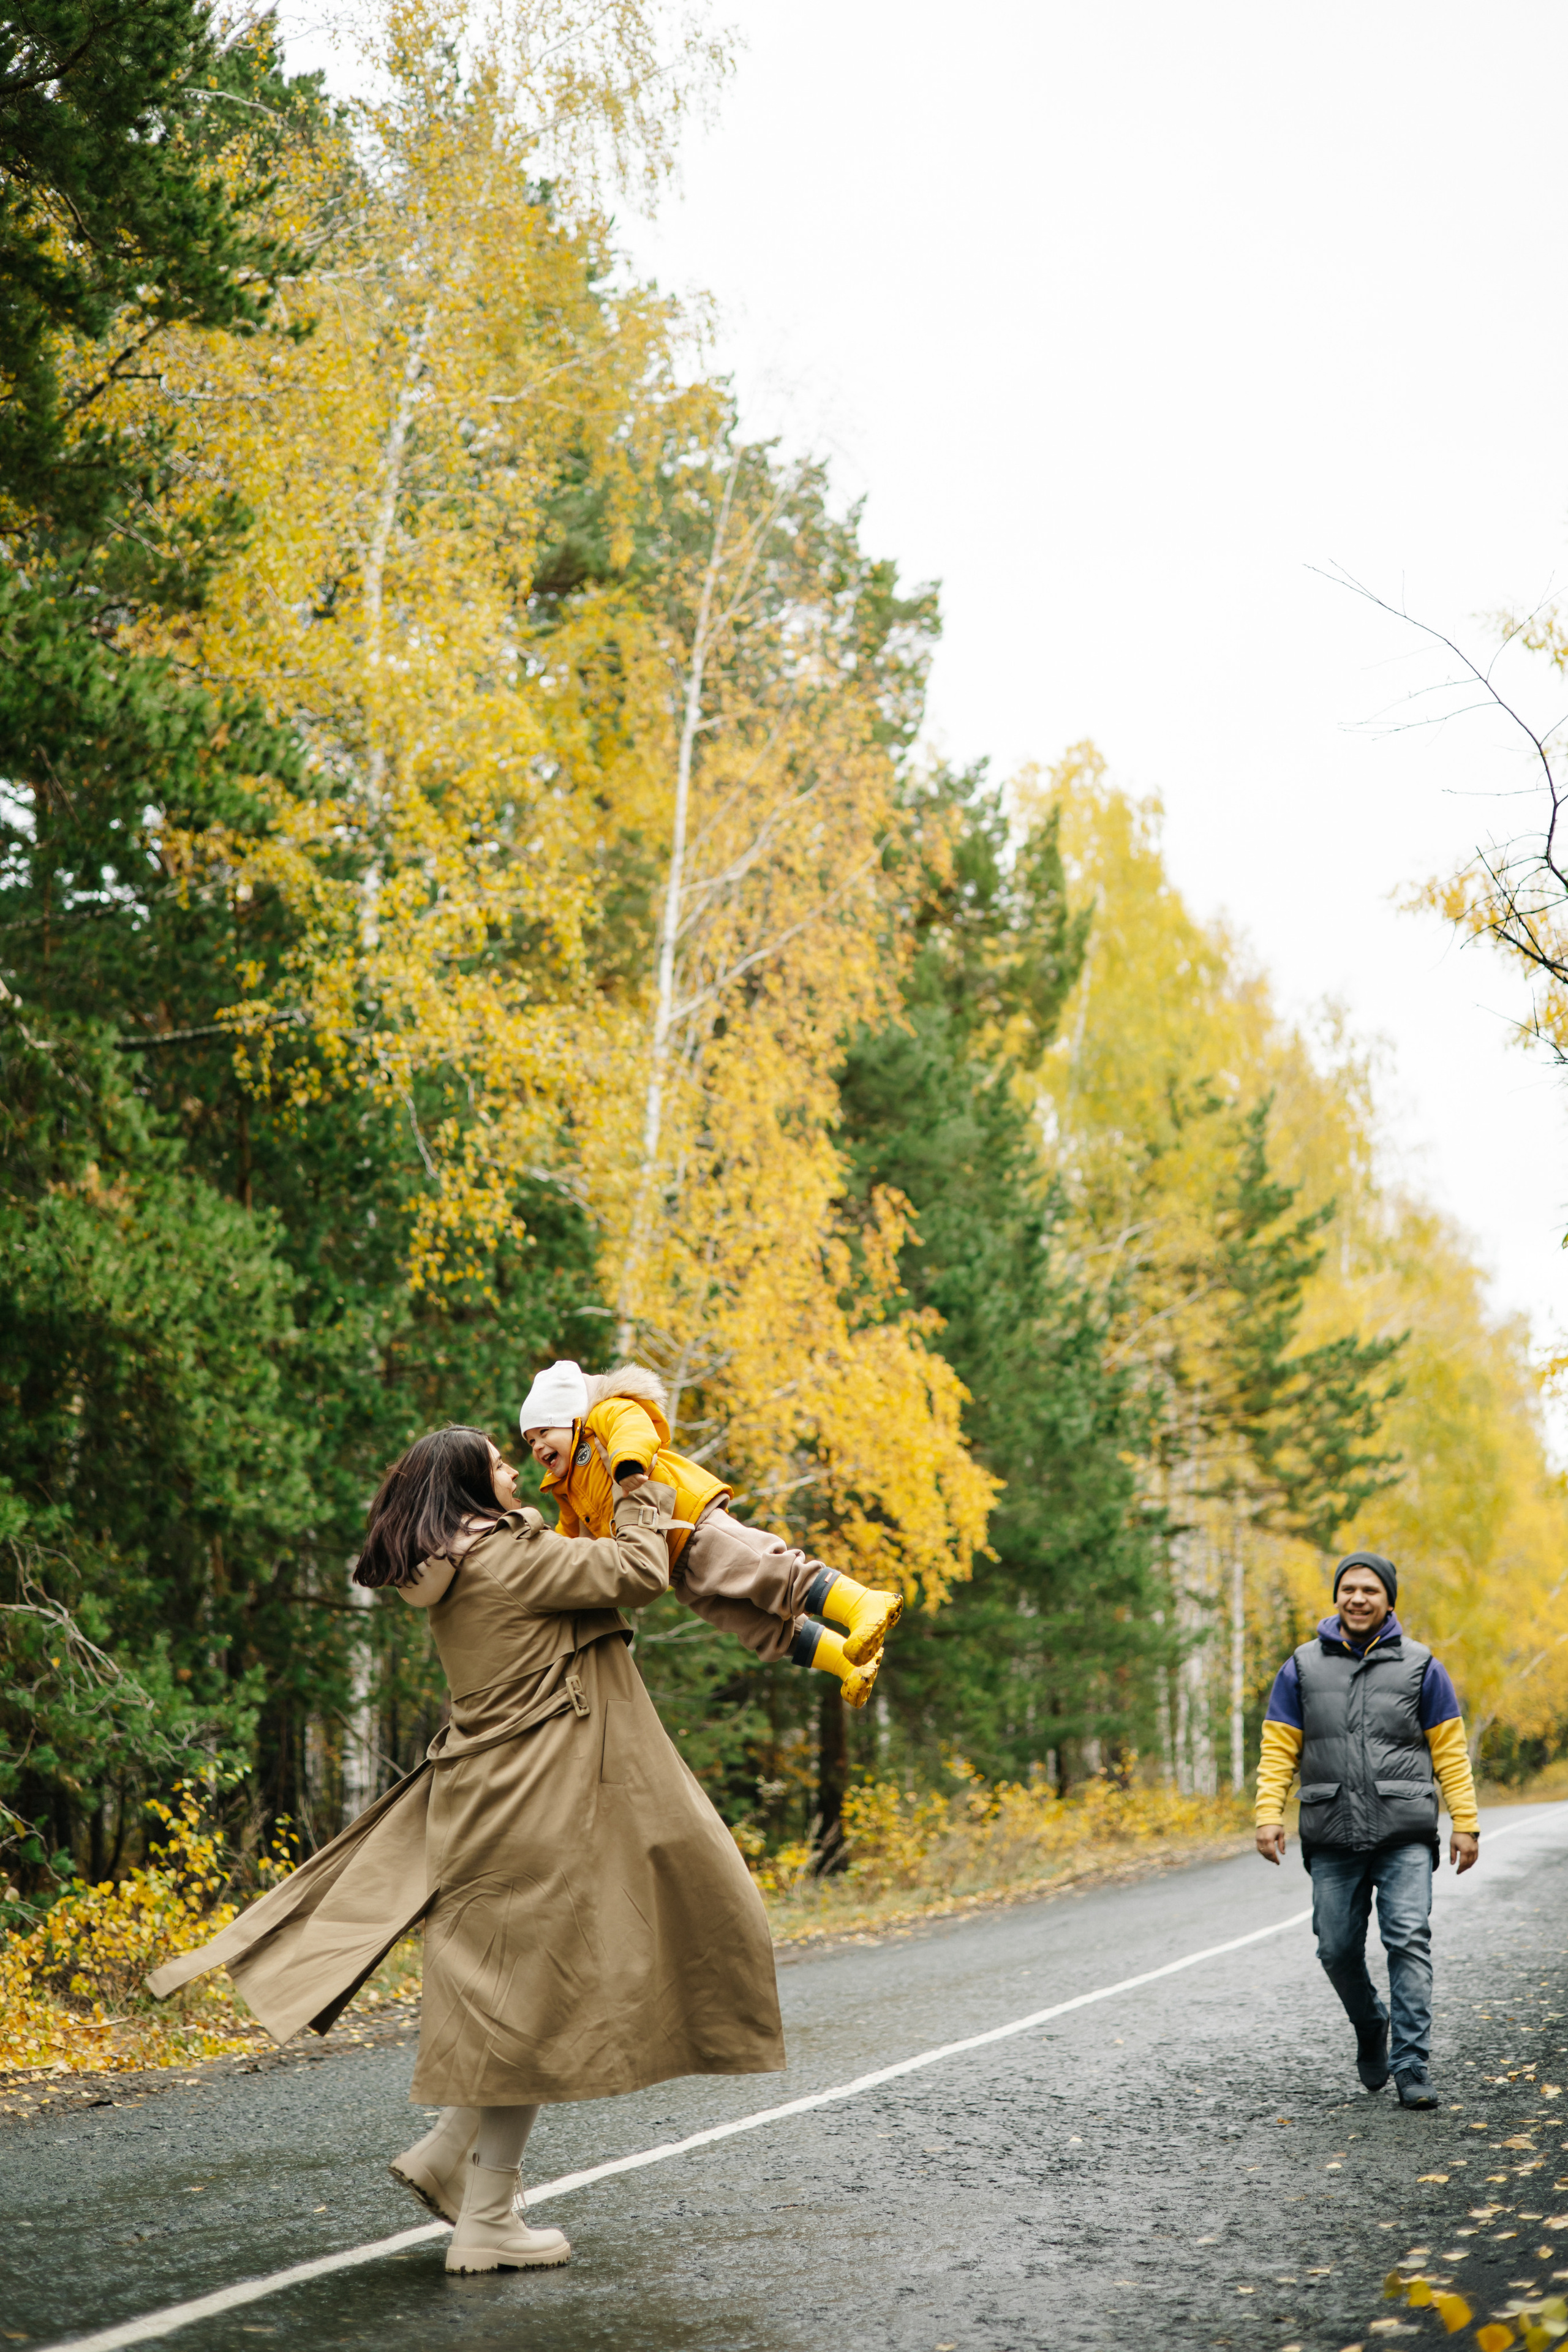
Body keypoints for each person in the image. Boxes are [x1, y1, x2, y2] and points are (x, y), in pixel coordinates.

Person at [150, 1425, 785, 2277]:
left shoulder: (450, 1568)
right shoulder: (508, 1560)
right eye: (497, 1463)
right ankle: (487, 2219)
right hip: (537, 1805)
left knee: (509, 2000)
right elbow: (637, 1573)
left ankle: (453, 2154)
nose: (514, 1470)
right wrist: (637, 1487)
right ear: (469, 1486)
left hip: (486, 1801)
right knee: (525, 2013)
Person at [518, 1358, 902, 1708]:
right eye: (530, 1441)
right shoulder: (564, 1488)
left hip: (692, 1523)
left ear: (573, 1419)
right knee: (754, 1625)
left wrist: (627, 1462)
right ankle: (847, 1663)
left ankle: (863, 1603)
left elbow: (631, 1428)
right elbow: (573, 1539)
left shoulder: (604, 1415)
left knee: (767, 1571)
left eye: (544, 1431)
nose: (538, 1446)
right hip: (674, 1568)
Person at [1254, 1549, 1480, 2108]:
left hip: (1404, 1830)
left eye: (1370, 1590)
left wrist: (1465, 1823)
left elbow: (1449, 1752)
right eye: (1349, 1589)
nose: (1358, 1598)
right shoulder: (1302, 1667)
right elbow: (1278, 1748)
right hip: (1331, 1831)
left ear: (1389, 1601)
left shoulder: (1422, 1665)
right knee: (1334, 1948)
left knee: (1408, 1938)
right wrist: (1267, 1814)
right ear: (1337, 1597)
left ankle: (1411, 2065)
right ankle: (1369, 2021)